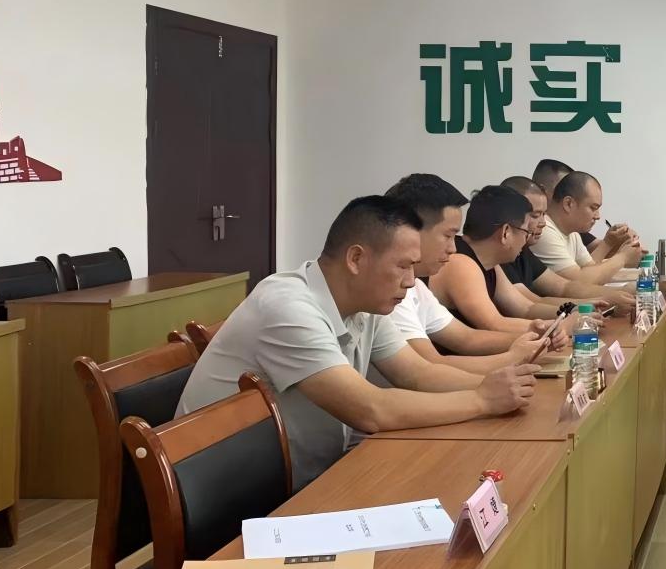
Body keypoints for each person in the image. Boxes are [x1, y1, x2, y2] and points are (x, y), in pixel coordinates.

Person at [176, 196, 537, 488]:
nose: (411, 281)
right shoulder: (287, 307)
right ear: (356, 259)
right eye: (403, 266)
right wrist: (481, 399)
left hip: (315, 474)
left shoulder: (366, 304)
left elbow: (418, 374)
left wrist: (495, 387)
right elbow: (370, 409)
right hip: (239, 498)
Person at [384, 174, 554, 373]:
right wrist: (512, 358)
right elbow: (424, 370)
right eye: (448, 235)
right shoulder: (390, 290)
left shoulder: (416, 286)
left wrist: (535, 337)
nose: (453, 248)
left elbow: (467, 338)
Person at [430, 185, 567, 333]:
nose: (526, 239)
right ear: (505, 232)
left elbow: (525, 308)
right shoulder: (461, 264)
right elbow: (494, 324)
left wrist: (574, 312)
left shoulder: (489, 264)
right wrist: (557, 327)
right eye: (526, 232)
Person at [499, 175, 634, 314]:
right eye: (535, 215)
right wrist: (622, 259)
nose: (543, 223)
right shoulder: (497, 258)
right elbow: (527, 307)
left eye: (543, 214)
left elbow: (563, 287)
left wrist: (606, 299)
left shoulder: (523, 250)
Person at [528, 171, 643, 285]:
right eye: (593, 208)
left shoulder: (572, 233)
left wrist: (609, 243)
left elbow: (591, 271)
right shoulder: (544, 231)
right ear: (568, 204)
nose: (598, 216)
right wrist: (622, 258)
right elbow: (581, 282)